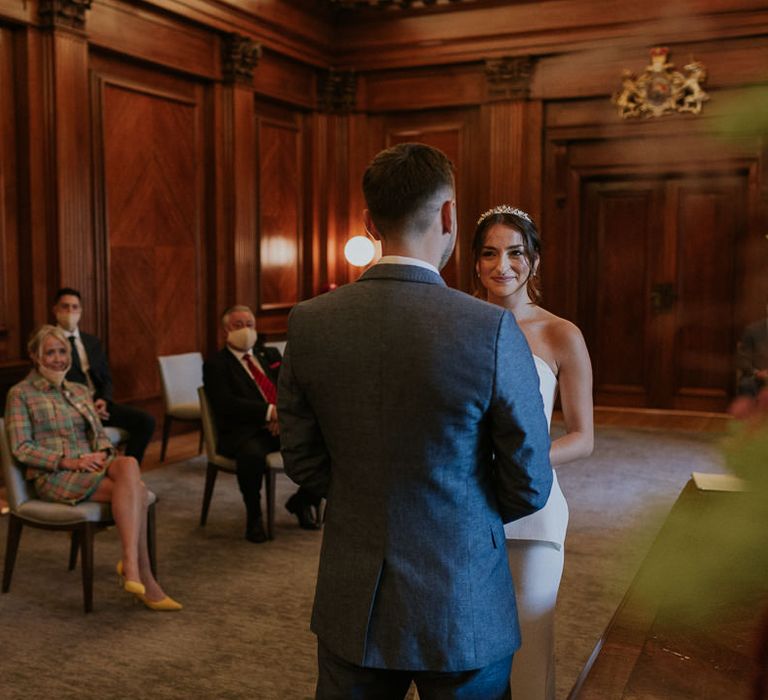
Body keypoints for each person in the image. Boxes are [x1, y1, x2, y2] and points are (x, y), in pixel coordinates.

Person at [278, 143, 553, 699]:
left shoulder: (310, 321)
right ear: (450, 215)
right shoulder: (489, 329)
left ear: (368, 222)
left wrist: (364, 504)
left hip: (354, 593)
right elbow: (529, 480)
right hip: (462, 594)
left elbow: (302, 460)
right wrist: (461, 517)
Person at [472, 205, 594, 700]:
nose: (503, 265)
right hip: (468, 508)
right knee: (469, 646)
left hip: (534, 509)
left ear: (535, 261)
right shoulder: (459, 326)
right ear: (475, 263)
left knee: (529, 646)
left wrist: (519, 465)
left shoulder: (560, 334)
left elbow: (583, 437)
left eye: (516, 252)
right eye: (489, 253)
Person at [4, 325, 181, 611]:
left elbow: (98, 432)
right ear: (35, 356)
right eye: (50, 352)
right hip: (56, 475)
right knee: (136, 491)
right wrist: (68, 461)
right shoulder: (21, 394)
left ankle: (132, 567)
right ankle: (142, 575)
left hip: (91, 466)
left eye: (63, 351)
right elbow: (22, 448)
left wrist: (101, 452)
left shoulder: (79, 389)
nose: (58, 358)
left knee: (129, 463)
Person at [202, 305, 321, 543]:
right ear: (226, 329)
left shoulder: (270, 355)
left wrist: (283, 417)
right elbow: (226, 404)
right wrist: (269, 413)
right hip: (244, 431)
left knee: (324, 442)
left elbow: (291, 388)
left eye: (250, 325)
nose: (245, 330)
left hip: (283, 426)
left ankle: (303, 500)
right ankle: (254, 517)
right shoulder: (216, 364)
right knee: (251, 456)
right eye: (238, 325)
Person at [52, 288, 156, 465]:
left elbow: (106, 378)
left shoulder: (92, 342)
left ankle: (130, 470)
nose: (70, 312)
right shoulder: (49, 344)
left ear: (81, 311)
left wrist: (104, 400)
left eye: (75, 307)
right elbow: (55, 384)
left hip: (100, 405)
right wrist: (87, 406)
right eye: (65, 307)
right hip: (74, 409)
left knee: (146, 421)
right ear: (55, 310)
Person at [736, 298, 768, 397]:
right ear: (767, 307)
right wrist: (757, 372)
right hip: (757, 377)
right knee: (746, 385)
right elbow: (743, 359)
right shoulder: (752, 331)